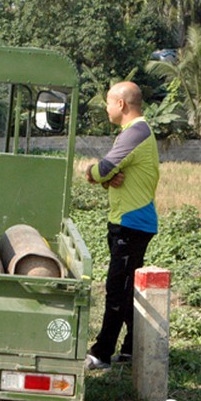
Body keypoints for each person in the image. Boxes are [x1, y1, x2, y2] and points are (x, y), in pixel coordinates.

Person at [84, 81, 160, 370]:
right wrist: (107, 179)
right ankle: (130, 349)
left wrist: (91, 173)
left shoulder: (136, 132)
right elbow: (114, 176)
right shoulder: (136, 132)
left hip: (131, 224)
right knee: (126, 289)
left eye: (107, 101)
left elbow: (103, 169)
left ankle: (102, 352)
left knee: (117, 290)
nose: (105, 107)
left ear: (121, 104)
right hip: (127, 221)